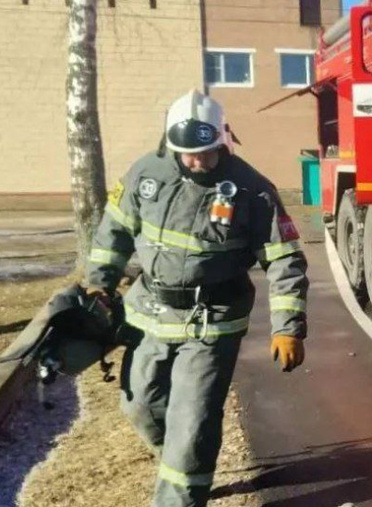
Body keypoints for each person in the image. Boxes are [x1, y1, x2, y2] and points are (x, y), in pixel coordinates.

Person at [85, 89, 308, 507]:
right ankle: (185, 461)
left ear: (224, 139)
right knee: (141, 405)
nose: (197, 161)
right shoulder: (144, 175)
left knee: (192, 424)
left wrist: (288, 328)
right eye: (187, 154)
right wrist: (99, 283)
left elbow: (284, 260)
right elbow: (112, 234)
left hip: (212, 324)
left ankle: (184, 490)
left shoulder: (252, 190)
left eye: (207, 151)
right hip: (149, 314)